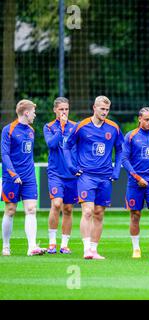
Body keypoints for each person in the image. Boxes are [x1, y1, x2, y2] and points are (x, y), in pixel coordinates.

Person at [64, 96, 124, 259]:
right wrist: (71, 166)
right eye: (102, 109)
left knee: (99, 213)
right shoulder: (81, 126)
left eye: (107, 109)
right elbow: (67, 146)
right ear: (94, 108)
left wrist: (116, 169)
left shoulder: (113, 128)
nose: (105, 112)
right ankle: (86, 249)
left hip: (105, 177)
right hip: (86, 176)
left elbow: (120, 150)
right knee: (88, 211)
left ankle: (94, 249)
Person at [1, 99, 46, 256]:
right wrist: (13, 174)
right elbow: (5, 154)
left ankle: (32, 247)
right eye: (33, 111)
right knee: (10, 210)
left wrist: (27, 174)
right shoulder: (9, 130)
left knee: (31, 209)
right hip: (11, 177)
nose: (35, 114)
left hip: (29, 177)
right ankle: (6, 246)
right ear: (26, 112)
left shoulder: (31, 130)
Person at [122, 107, 149, 259]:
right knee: (135, 215)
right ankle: (136, 248)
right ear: (139, 119)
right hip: (135, 181)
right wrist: (137, 177)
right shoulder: (131, 136)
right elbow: (124, 160)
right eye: (146, 120)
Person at [44, 97, 78, 254]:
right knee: (56, 204)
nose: (64, 112)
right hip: (55, 173)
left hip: (71, 174)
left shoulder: (75, 127)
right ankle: (52, 243)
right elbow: (51, 144)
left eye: (66, 109)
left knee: (68, 209)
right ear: (55, 110)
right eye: (61, 109)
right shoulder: (49, 127)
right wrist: (61, 127)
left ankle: (64, 244)